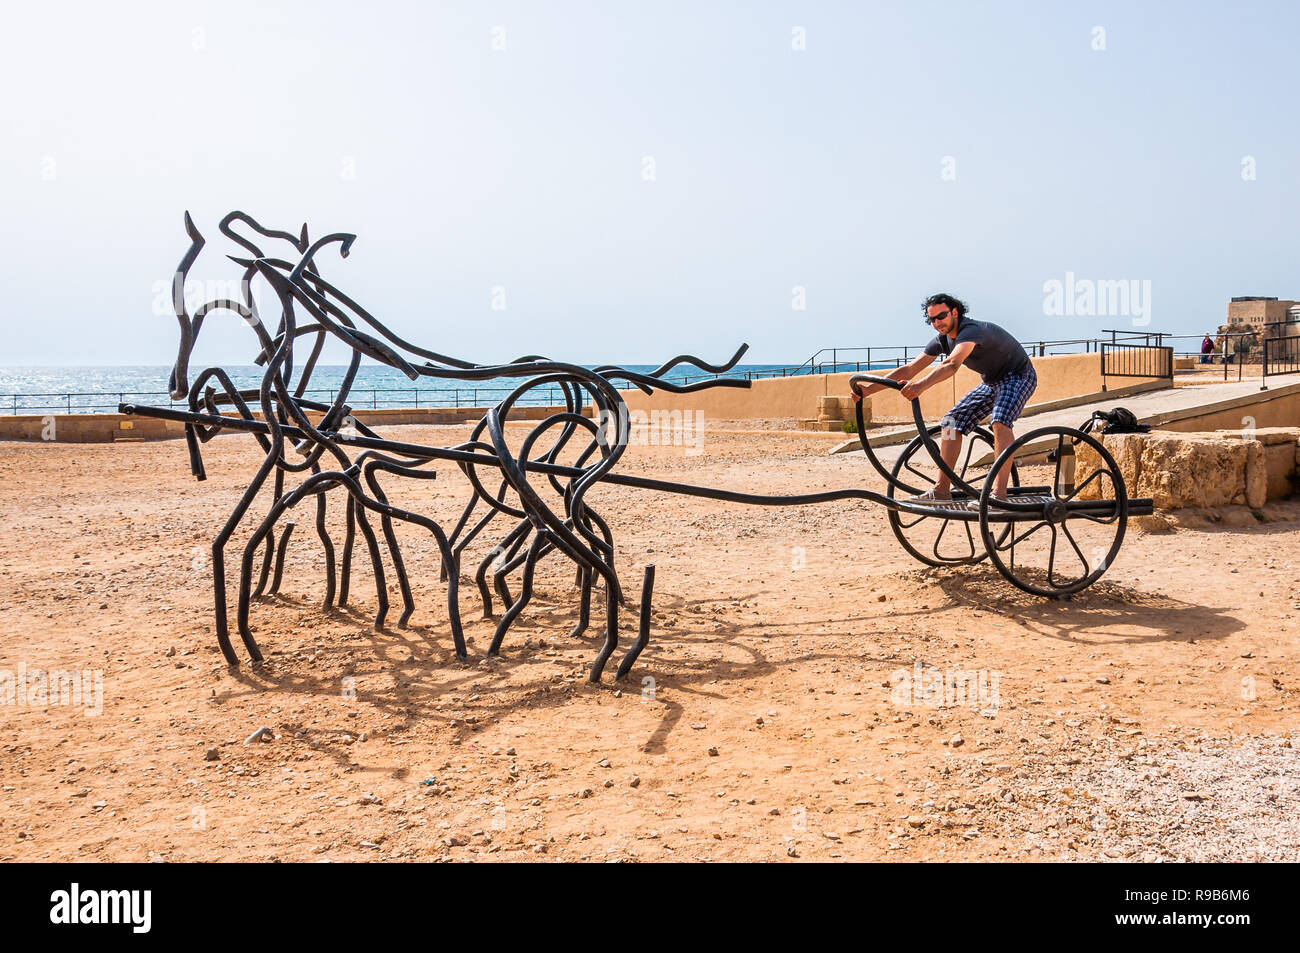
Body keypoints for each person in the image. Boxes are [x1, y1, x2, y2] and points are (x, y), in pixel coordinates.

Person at [851, 293, 1036, 503]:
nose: (938, 322)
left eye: (942, 316)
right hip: (991, 382)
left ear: (954, 312)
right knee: (950, 422)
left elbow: (952, 364)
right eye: (933, 319)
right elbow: (911, 368)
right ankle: (941, 490)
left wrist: (921, 386)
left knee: (1000, 422)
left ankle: (999, 495)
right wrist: (868, 390)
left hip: (1018, 377)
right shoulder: (942, 339)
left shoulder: (971, 331)